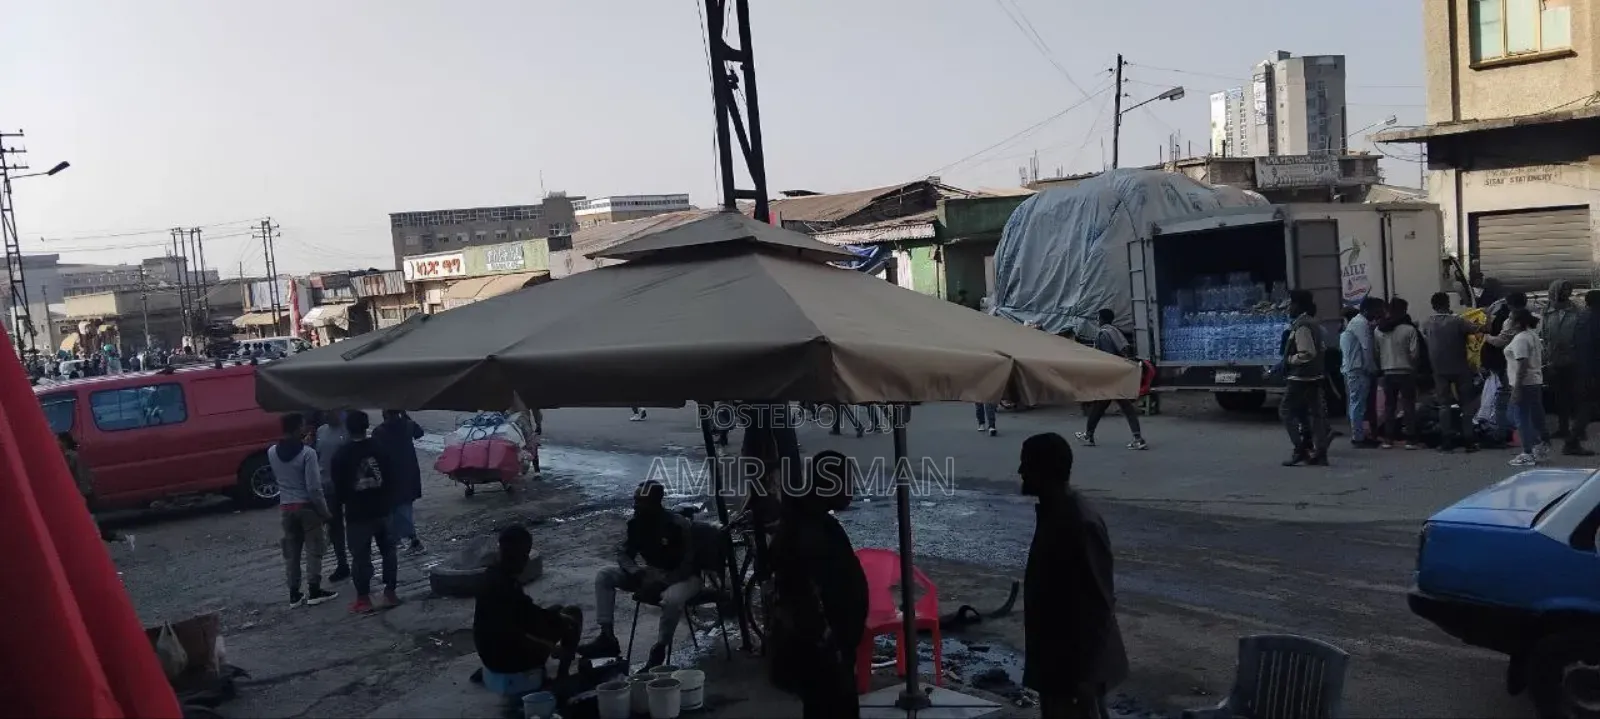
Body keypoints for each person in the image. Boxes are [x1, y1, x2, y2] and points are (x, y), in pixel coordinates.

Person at [1019, 433, 1127, 719]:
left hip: (1074, 669)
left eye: (1026, 465)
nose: (1021, 472)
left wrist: (1087, 676)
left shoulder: (1079, 522)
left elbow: (1099, 602)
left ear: (1045, 471)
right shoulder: (1058, 513)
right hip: (1059, 662)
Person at [768, 451, 867, 719]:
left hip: (830, 652)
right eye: (848, 481)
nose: (852, 489)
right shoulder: (806, 532)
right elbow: (803, 600)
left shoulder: (816, 522)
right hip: (821, 656)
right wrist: (830, 645)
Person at [577, 481, 699, 669]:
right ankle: (607, 637)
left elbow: (690, 563)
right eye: (636, 500)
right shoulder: (637, 524)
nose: (635, 505)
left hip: (684, 578)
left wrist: (663, 582)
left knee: (672, 600)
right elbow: (624, 552)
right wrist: (636, 573)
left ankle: (659, 649)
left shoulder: (677, 525)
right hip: (650, 575)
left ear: (655, 502)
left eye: (640, 501)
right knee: (604, 575)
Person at [472, 526, 582, 696]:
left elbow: (526, 614)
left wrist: (555, 617)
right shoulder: (504, 587)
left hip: (489, 655)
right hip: (507, 658)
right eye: (525, 555)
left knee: (558, 612)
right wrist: (550, 646)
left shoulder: (493, 576)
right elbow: (513, 634)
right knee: (573, 616)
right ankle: (562, 677)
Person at [331, 411, 401, 613]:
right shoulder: (380, 448)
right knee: (389, 551)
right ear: (366, 426)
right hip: (383, 509)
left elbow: (339, 488)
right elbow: (391, 476)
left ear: (348, 428)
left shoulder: (341, 454)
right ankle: (390, 593)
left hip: (357, 513)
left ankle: (363, 599)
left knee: (361, 556)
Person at [270, 413, 338, 608]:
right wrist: (324, 512)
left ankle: (294, 593)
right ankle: (314, 589)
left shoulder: (272, 452)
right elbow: (314, 488)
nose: (306, 428)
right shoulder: (308, 454)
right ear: (297, 429)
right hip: (307, 508)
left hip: (286, 507)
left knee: (292, 553)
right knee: (313, 549)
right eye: (303, 425)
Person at [1075, 309, 1148, 450]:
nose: (1097, 321)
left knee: (1114, 406)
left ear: (1101, 319)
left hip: (1111, 376)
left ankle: (1137, 438)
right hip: (1118, 374)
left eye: (1098, 318)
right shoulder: (1115, 331)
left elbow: (1107, 357)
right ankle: (1089, 435)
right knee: (1103, 406)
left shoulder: (1103, 334)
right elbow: (1125, 350)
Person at [1421, 292, 1481, 452]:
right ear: (1447, 304)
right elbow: (1476, 329)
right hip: (1460, 367)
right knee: (1466, 404)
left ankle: (1446, 440)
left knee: (1444, 405)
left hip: (1439, 370)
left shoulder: (1427, 323)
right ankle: (1469, 440)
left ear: (1433, 306)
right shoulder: (1458, 321)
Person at [1281, 291, 1332, 466]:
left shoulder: (1302, 326)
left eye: (1291, 304)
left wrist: (1289, 360)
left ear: (1299, 306)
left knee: (1286, 411)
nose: (1289, 308)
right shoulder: (1314, 324)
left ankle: (1300, 449)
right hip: (1315, 376)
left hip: (1300, 378)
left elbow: (1307, 352)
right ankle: (1321, 452)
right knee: (1316, 415)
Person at [374, 409, 427, 554]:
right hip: (408, 473)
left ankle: (408, 540)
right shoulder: (407, 425)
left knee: (396, 508)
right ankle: (404, 538)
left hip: (391, 475)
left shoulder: (379, 431)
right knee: (403, 508)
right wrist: (405, 415)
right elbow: (419, 433)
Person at [1543, 279, 1586, 451]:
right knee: (1559, 396)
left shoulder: (1576, 310)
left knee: (1576, 395)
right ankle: (1563, 428)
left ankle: (1578, 429)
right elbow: (1544, 335)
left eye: (1568, 290)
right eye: (1563, 290)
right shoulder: (1547, 311)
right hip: (1554, 359)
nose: (1566, 293)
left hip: (1574, 359)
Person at [1374, 297, 1422, 450]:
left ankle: (1388, 439)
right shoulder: (1409, 329)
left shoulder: (1378, 330)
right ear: (1403, 311)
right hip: (1406, 371)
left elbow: (1376, 352)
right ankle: (1410, 439)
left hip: (1387, 371)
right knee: (1408, 405)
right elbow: (1414, 354)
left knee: (1390, 406)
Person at [1481, 291, 1528, 442]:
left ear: (1509, 304)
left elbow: (1500, 341)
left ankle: (1503, 431)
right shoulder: (1531, 318)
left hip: (1510, 362)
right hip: (1526, 361)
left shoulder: (1511, 320)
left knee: (1504, 396)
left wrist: (1486, 337)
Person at [1506, 309, 1551, 467]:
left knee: (1519, 417)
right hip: (1534, 381)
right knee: (1528, 415)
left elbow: (1522, 364)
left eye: (1510, 318)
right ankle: (1539, 444)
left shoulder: (1520, 339)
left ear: (1517, 322)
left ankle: (1529, 451)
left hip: (1524, 383)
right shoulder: (1531, 335)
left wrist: (1517, 387)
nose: (1508, 321)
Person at [60, 432, 121, 542]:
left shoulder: (68, 456)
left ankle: (98, 536)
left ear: (64, 442)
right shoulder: (74, 454)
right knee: (93, 515)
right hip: (87, 489)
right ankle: (105, 534)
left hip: (81, 491)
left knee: (86, 517)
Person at [314, 411, 352, 583]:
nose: (329, 415)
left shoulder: (349, 430)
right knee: (335, 526)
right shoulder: (321, 431)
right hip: (326, 485)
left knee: (354, 523)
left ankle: (360, 560)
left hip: (347, 485)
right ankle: (342, 563)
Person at [1339, 299, 1382, 448]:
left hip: (1354, 369)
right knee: (1358, 404)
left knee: (1356, 403)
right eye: (1376, 310)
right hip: (1359, 370)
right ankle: (1358, 437)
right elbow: (1367, 348)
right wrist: (1372, 369)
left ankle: (1359, 435)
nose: (1378, 314)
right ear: (1366, 310)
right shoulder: (1361, 324)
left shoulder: (1355, 324)